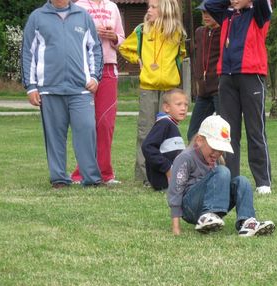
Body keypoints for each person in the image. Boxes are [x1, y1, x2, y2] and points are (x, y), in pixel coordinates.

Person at [21, 0, 103, 188]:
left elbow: (95, 48)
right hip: (49, 88)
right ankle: (59, 178)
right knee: (55, 136)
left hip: (81, 90)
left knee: (87, 130)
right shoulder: (37, 17)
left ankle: (91, 178)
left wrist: (95, 77)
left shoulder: (83, 16)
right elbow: (28, 53)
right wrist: (31, 86)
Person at [204, 0, 273, 195]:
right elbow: (209, 4)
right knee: (228, 133)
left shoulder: (258, 12)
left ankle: (263, 181)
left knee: (255, 130)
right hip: (227, 76)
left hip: (252, 75)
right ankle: (229, 177)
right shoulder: (226, 13)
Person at [167, 114, 275, 236]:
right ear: (199, 140)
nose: (216, 154)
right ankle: (208, 216)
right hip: (190, 208)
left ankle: (247, 223)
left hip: (211, 205)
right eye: (213, 148)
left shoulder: (216, 160)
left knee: (242, 181)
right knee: (223, 171)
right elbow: (175, 191)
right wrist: (176, 228)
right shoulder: (185, 158)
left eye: (220, 150)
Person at [119, 0, 186, 186]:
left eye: (153, 7)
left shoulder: (177, 32)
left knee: (169, 132)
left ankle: (170, 170)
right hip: (148, 87)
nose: (149, 10)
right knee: (146, 131)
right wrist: (139, 60)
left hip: (170, 89)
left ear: (165, 9)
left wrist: (172, 72)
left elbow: (181, 54)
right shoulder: (142, 30)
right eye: (149, 7)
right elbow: (124, 48)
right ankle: (144, 176)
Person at [70, 0, 125, 185]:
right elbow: (71, 38)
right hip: (84, 68)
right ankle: (81, 172)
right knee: (85, 123)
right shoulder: (77, 7)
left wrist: (113, 37)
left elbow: (122, 41)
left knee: (106, 123)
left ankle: (105, 173)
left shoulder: (112, 7)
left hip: (108, 67)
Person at [186, 1, 221, 142]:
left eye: (209, 12)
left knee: (221, 133)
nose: (205, 16)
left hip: (220, 90)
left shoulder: (225, 31)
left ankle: (222, 164)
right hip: (203, 92)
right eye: (203, 12)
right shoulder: (200, 32)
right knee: (193, 132)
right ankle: (197, 164)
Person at [142, 89, 188, 190]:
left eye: (186, 105)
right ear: (167, 107)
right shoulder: (164, 123)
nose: (183, 108)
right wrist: (167, 168)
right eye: (179, 104)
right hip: (163, 179)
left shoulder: (171, 124)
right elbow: (147, 147)